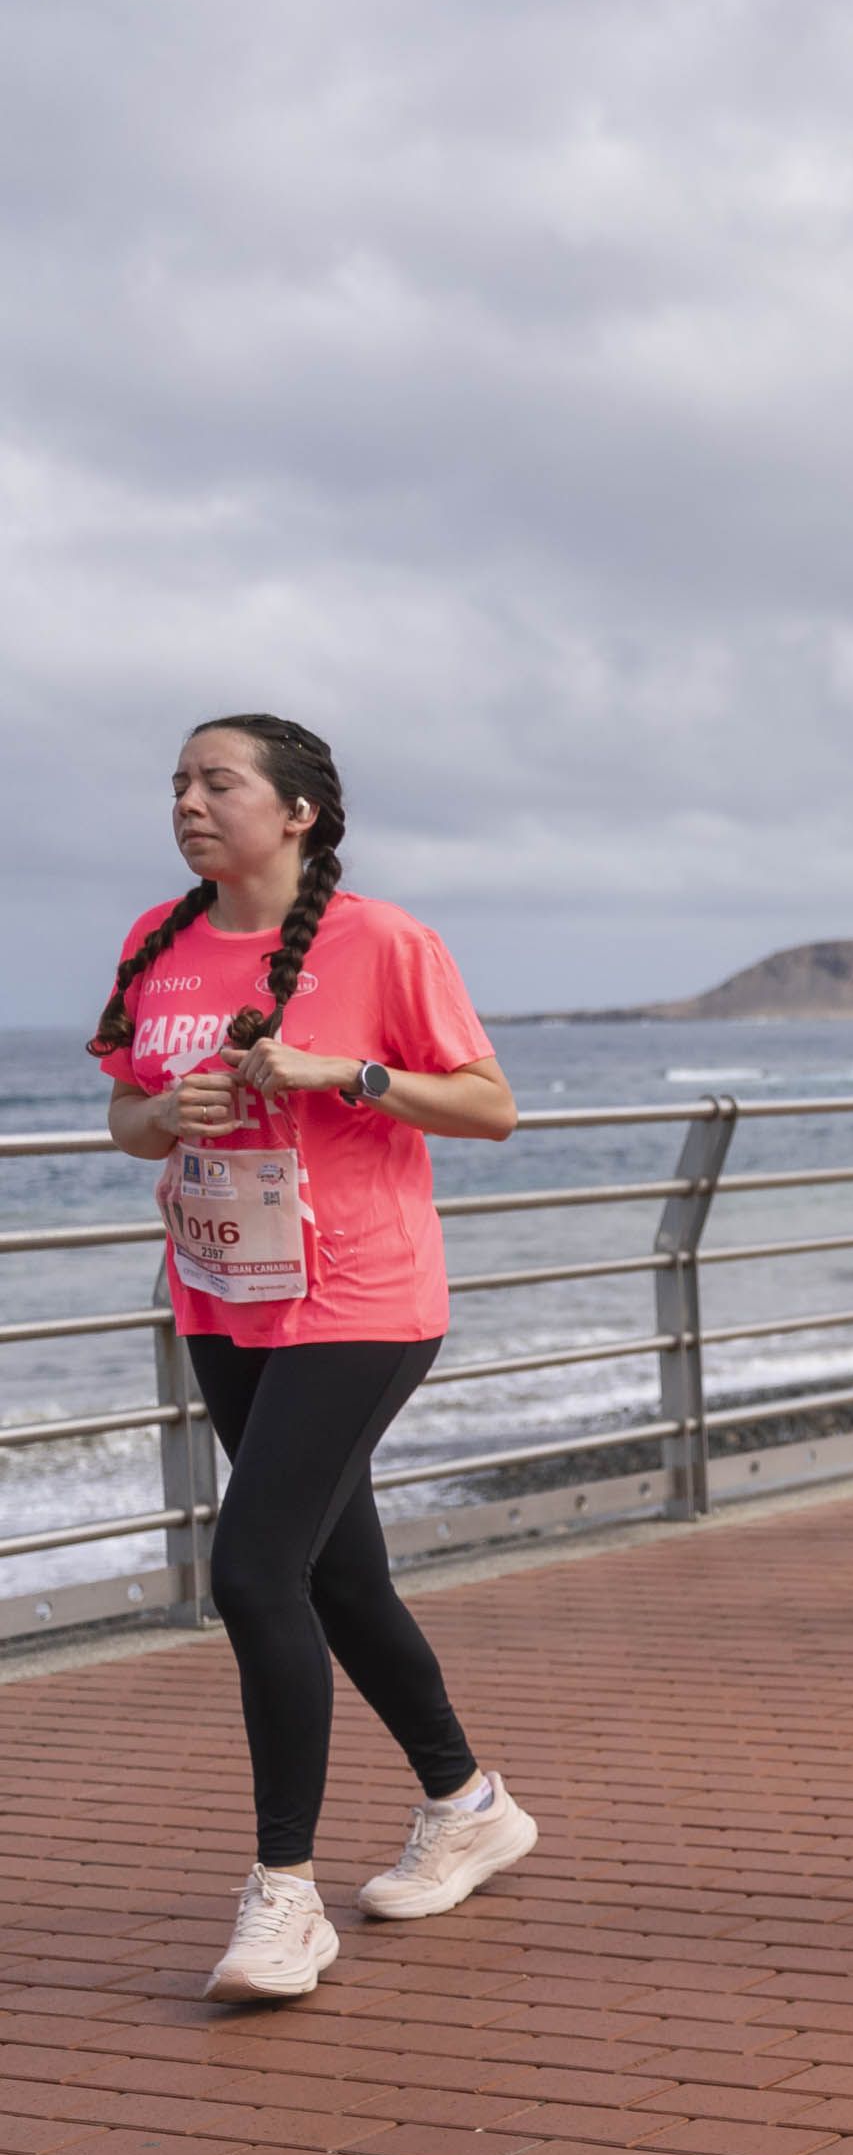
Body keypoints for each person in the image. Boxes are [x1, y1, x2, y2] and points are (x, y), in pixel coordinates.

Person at [95, 717, 536, 2002]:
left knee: (250, 1567)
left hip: (363, 1296)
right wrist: (168, 1112)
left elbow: (491, 1106)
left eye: (215, 781)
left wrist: (345, 1072)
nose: (187, 800)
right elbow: (125, 1117)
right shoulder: (156, 943)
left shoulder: (384, 940)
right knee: (339, 1581)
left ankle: (284, 1896)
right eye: (177, 782)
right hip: (224, 1292)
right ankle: (469, 1801)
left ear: (296, 812)